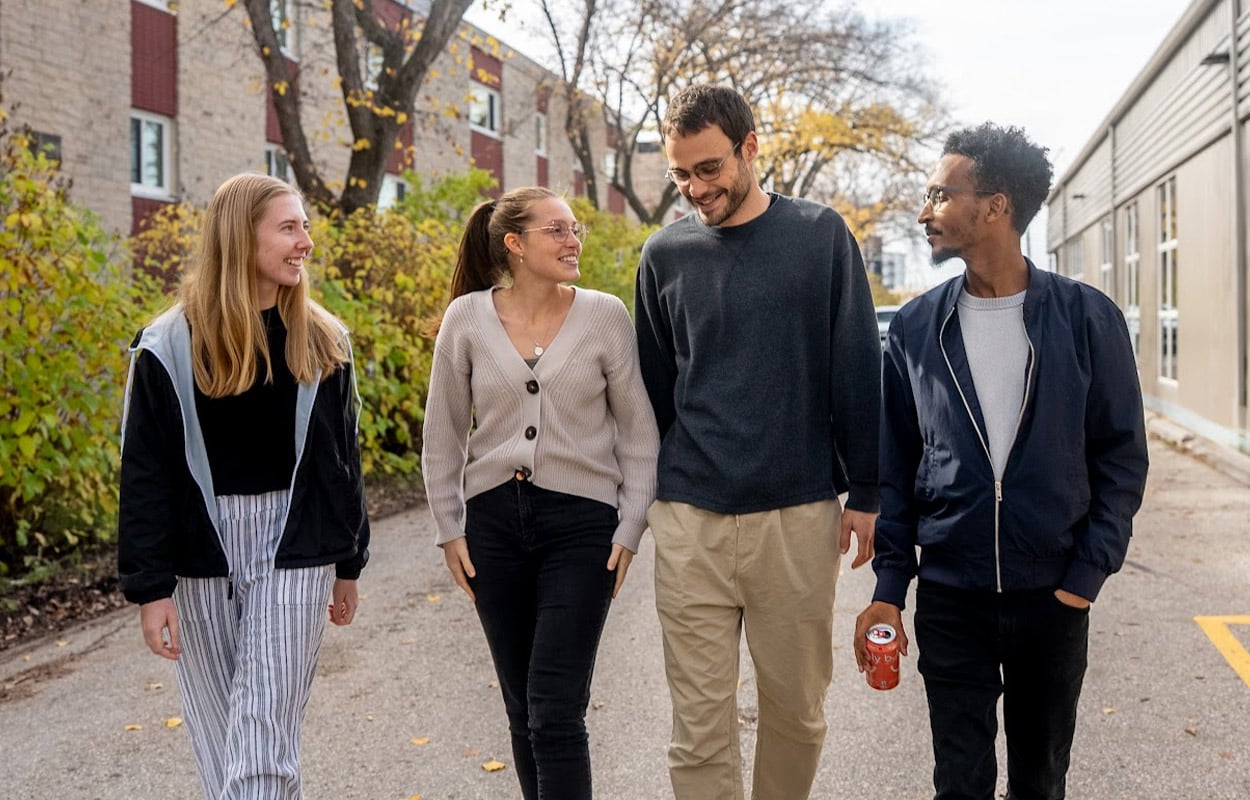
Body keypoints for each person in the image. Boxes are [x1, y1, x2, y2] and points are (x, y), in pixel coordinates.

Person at [854, 123, 1150, 800]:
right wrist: (889, 592)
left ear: (996, 206)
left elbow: (1121, 457)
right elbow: (896, 467)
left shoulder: (1085, 318)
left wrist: (1086, 573)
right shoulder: (916, 327)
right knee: (959, 782)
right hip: (953, 598)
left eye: (940, 194)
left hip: (1052, 597)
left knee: (1040, 783)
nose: (924, 211)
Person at [634, 84, 881, 800]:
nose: (694, 188)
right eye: (681, 174)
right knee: (698, 726)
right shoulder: (664, 255)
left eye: (708, 169)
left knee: (796, 714)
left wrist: (866, 492)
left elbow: (857, 368)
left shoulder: (820, 236)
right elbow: (654, 390)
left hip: (796, 516)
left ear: (749, 149)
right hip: (690, 520)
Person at [118, 172, 369, 800]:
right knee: (218, 735)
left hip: (296, 544)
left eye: (305, 226)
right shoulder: (166, 347)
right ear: (239, 238)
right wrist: (150, 588)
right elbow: (145, 474)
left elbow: (342, 461)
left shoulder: (325, 340)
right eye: (289, 227)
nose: (305, 241)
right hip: (200, 554)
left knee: (261, 735)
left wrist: (348, 563)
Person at [420, 186, 659, 800]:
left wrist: (630, 526)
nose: (573, 240)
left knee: (554, 706)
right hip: (493, 525)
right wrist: (450, 527)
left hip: (582, 527)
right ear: (515, 244)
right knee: (522, 707)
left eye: (574, 228)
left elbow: (638, 431)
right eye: (557, 230)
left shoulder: (606, 314)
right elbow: (442, 431)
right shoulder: (467, 318)